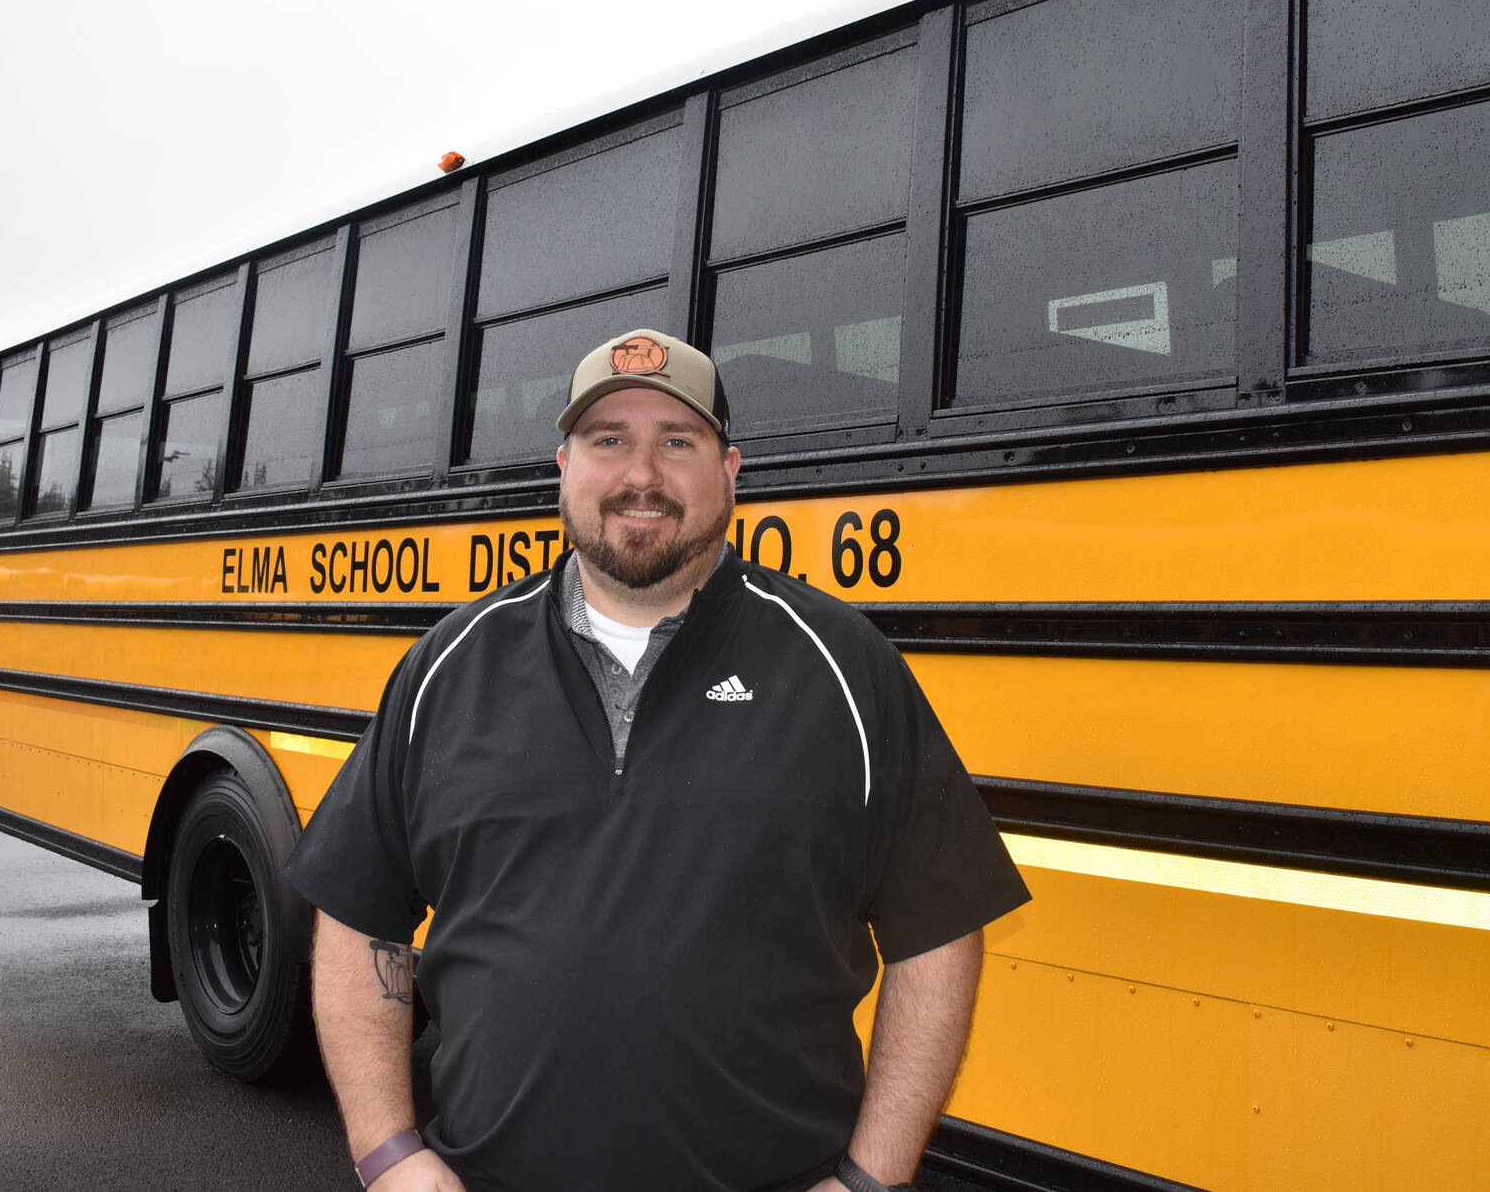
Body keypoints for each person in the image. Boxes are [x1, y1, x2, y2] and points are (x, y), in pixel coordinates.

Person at [286, 327, 1030, 1192]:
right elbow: (356, 910)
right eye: (610, 441)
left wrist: (871, 1179)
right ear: (563, 465)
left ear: (731, 471)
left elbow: (939, 930)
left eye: (678, 441)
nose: (642, 474)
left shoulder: (842, 666)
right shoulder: (452, 666)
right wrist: (387, 1153)